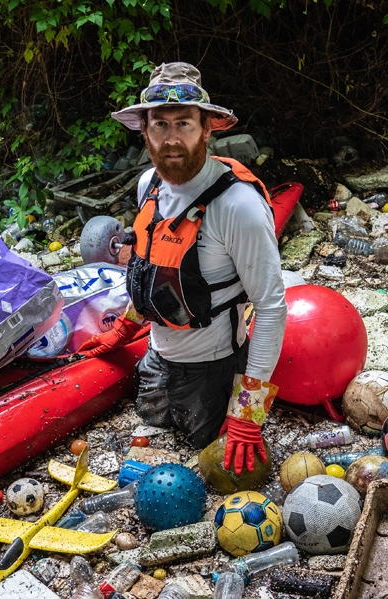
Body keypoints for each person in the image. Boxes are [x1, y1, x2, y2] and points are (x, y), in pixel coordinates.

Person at [78, 62, 286, 475]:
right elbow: (155, 271)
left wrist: (248, 414)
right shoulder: (148, 185)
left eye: (184, 124)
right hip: (159, 353)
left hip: (214, 366)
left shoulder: (238, 207)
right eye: (160, 125)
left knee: (213, 464)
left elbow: (272, 306)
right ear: (144, 130)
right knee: (151, 422)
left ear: (207, 128)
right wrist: (122, 331)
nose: (171, 140)